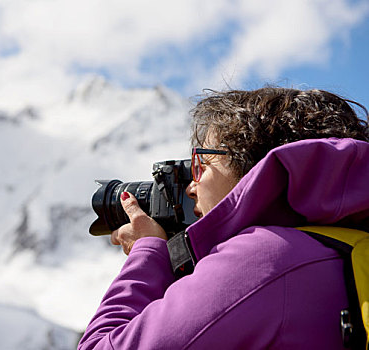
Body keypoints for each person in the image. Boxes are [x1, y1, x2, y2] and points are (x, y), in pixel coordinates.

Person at [78, 87, 369, 349]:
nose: (192, 187)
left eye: (200, 165)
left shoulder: (264, 257)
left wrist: (147, 252)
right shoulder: (339, 245)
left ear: (252, 166)